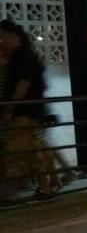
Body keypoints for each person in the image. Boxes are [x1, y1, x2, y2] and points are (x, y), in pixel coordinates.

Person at [0, 20, 57, 197]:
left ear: (14, 36)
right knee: (33, 149)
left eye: (3, 37)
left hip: (24, 112)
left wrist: (10, 108)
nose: (2, 41)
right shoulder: (24, 56)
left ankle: (45, 187)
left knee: (26, 150)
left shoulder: (22, 57)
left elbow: (23, 84)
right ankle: (48, 185)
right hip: (29, 110)